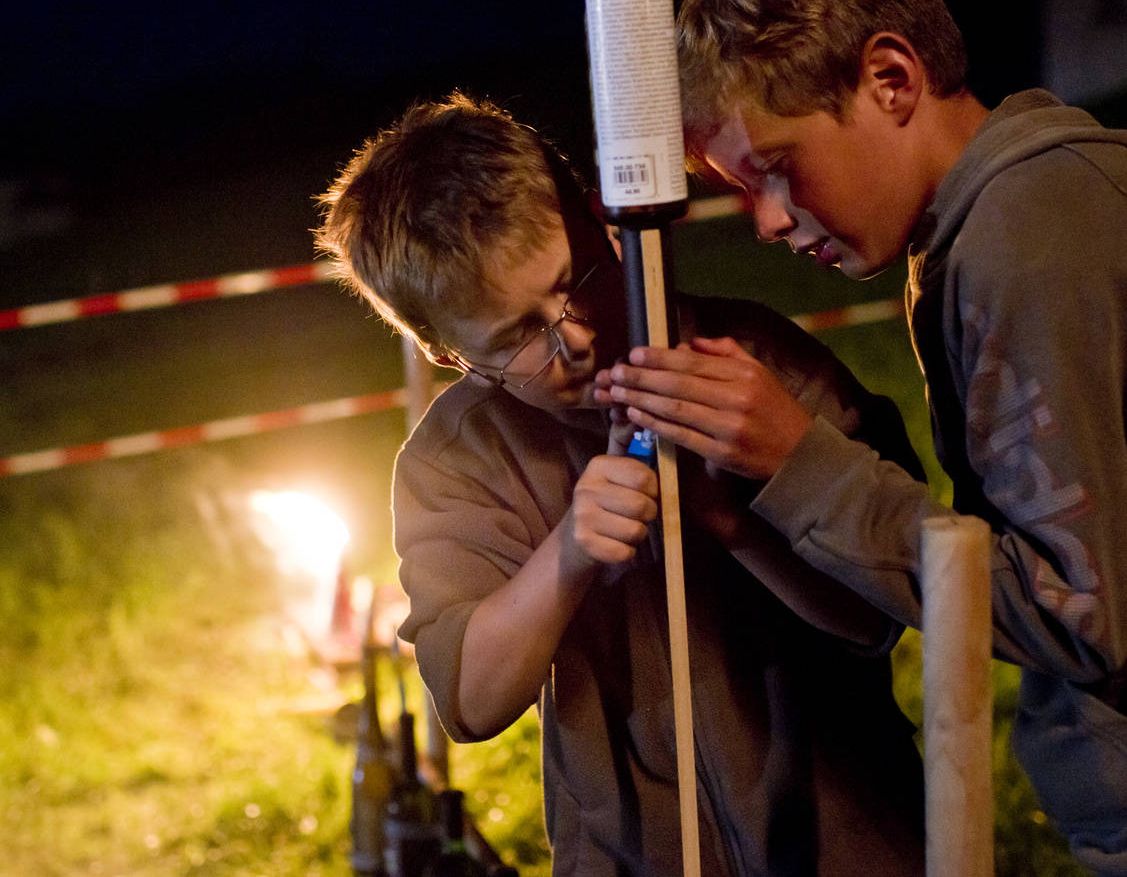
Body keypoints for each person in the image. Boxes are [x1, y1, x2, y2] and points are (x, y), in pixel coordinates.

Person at [605, 0, 1127, 875]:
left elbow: (1071, 611)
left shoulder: (1030, 242)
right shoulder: (1021, 217)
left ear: (891, 78)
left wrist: (801, 462)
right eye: (742, 192)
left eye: (776, 171)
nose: (771, 222)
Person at [317, 92, 926, 875]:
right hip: (627, 857)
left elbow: (878, 614)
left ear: (605, 223)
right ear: (446, 354)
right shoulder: (455, 460)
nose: (576, 336)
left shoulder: (751, 362)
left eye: (578, 279)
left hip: (847, 842)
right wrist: (570, 550)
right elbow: (469, 700)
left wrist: (729, 513)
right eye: (521, 335)